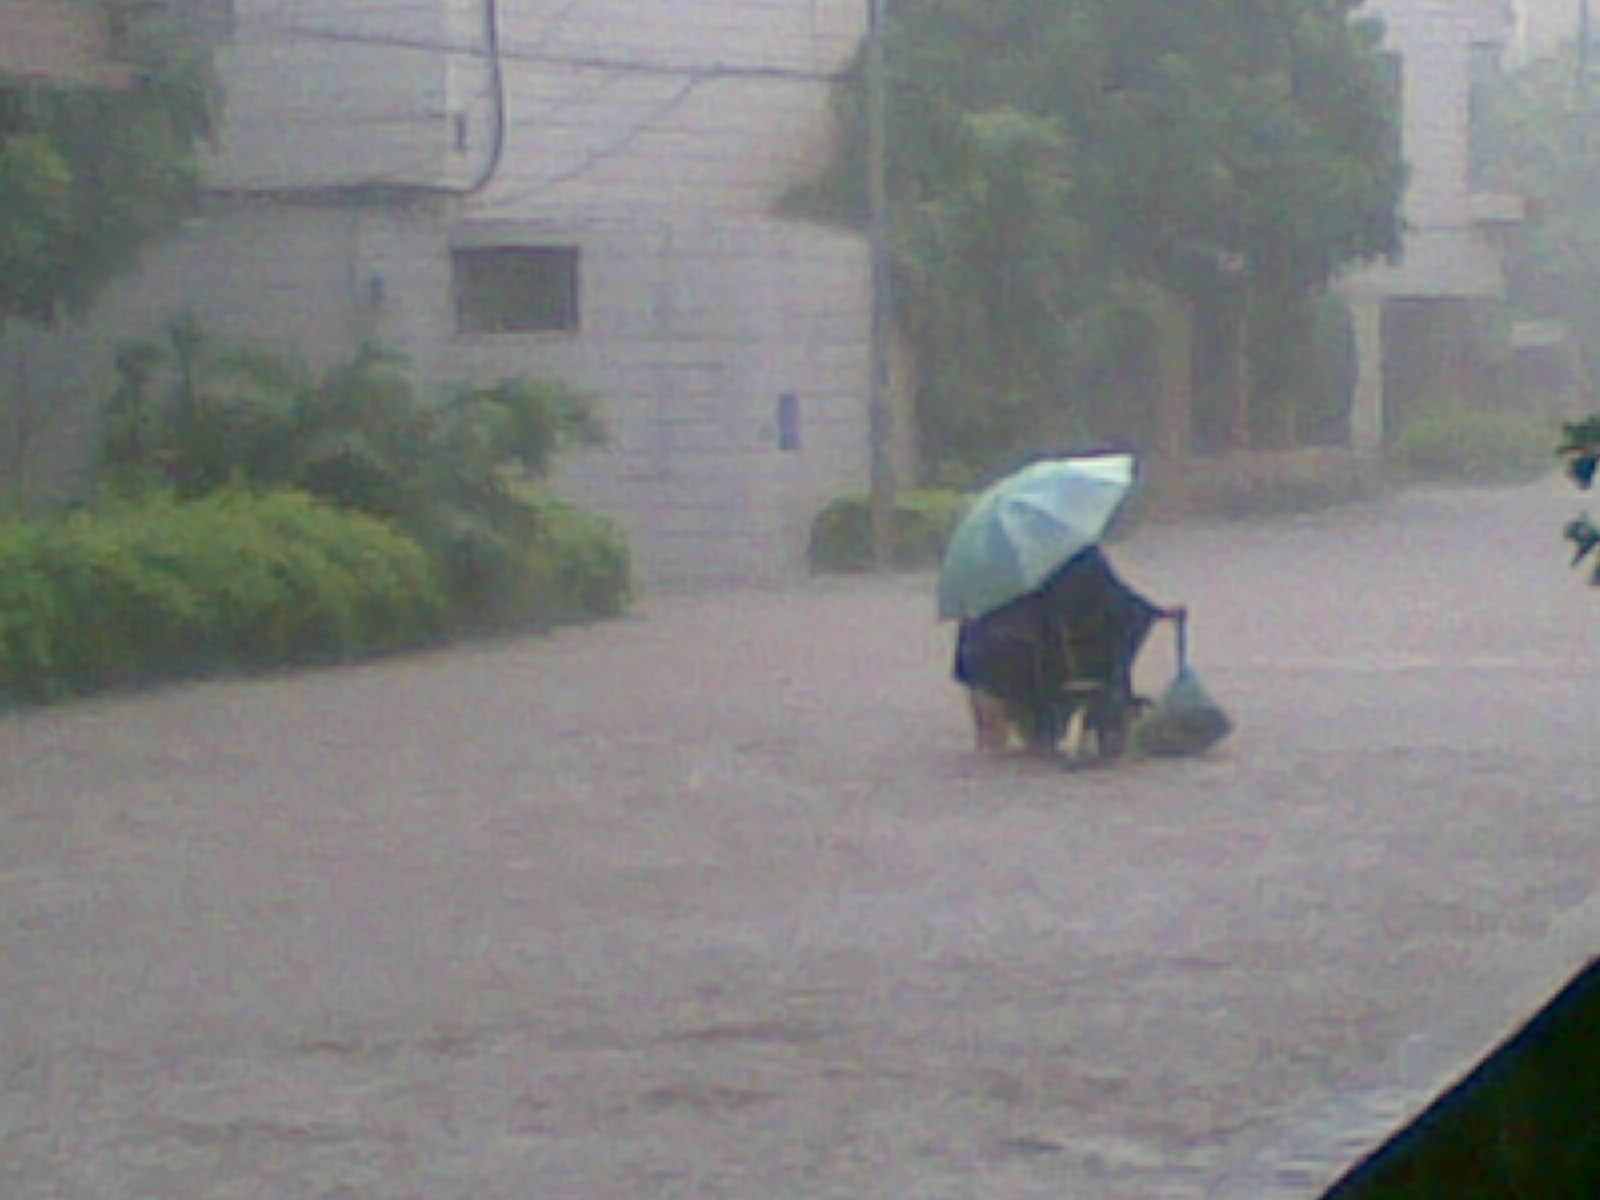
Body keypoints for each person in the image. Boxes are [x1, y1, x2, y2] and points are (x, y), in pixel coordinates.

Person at [954, 546, 1184, 759]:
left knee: (993, 748)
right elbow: (1119, 606)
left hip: (985, 663)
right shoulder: (1079, 557)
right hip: (1048, 671)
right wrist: (1155, 613)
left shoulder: (986, 565)